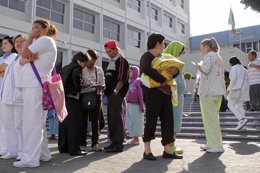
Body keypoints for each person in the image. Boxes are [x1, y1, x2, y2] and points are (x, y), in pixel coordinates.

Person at [14, 19, 57, 168]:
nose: (33, 31)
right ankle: (44, 154)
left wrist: (30, 37)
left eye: (36, 28)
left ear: (46, 29)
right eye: (32, 28)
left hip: (34, 85)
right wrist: (26, 56)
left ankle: (30, 159)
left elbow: (24, 54)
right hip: (33, 85)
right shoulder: (43, 41)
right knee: (37, 123)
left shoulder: (44, 40)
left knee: (31, 124)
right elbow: (22, 60)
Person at [140, 33, 183, 160]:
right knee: (151, 120)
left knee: (168, 121)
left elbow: (173, 71)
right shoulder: (146, 56)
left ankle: (168, 150)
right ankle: (147, 151)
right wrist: (162, 79)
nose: (164, 46)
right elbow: (146, 70)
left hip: (166, 93)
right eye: (163, 43)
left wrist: (175, 71)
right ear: (157, 43)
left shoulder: (165, 57)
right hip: (152, 93)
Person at [193, 37, 225, 153]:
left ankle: (215, 145)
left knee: (209, 119)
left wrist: (198, 66)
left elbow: (206, 70)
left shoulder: (208, 56)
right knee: (213, 118)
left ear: (206, 47)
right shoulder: (218, 57)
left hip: (208, 92)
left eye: (202, 48)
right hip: (218, 91)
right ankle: (213, 144)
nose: (201, 50)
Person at [59, 51, 90, 156]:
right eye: (84, 63)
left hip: (63, 99)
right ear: (79, 61)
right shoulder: (77, 68)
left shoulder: (65, 67)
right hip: (72, 98)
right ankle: (74, 149)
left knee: (64, 123)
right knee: (75, 124)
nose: (85, 66)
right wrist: (82, 86)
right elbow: (77, 83)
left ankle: (63, 147)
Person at [103, 40, 129, 152]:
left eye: (110, 51)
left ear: (115, 49)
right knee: (111, 118)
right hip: (110, 94)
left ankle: (118, 144)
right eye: (107, 52)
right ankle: (113, 142)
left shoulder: (121, 60)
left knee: (116, 119)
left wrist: (115, 91)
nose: (108, 53)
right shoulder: (112, 61)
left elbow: (122, 78)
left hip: (116, 93)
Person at [0, 35, 22, 160]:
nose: (3, 46)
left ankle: (7, 149)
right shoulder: (3, 58)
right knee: (5, 123)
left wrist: (2, 70)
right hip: (3, 94)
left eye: (6, 43)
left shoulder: (13, 57)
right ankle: (7, 148)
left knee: (8, 123)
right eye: (2, 44)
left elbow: (2, 69)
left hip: (9, 95)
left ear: (12, 46)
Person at [80, 49, 105, 152]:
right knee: (83, 121)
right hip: (84, 95)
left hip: (96, 96)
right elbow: (78, 84)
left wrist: (102, 86)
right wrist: (85, 85)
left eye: (94, 59)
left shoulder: (99, 70)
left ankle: (95, 143)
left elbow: (104, 83)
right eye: (90, 59)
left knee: (96, 121)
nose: (92, 62)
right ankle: (82, 143)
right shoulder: (81, 69)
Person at [163, 41, 186, 154]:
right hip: (171, 97)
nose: (181, 54)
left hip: (178, 97)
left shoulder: (176, 61)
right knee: (171, 122)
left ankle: (172, 145)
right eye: (180, 51)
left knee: (176, 122)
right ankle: (169, 146)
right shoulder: (167, 61)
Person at [227, 56, 249, 130]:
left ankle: (242, 119)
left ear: (231, 63)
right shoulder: (244, 69)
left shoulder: (234, 68)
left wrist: (228, 89)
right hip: (244, 90)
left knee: (230, 104)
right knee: (239, 105)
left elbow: (233, 79)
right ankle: (244, 124)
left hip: (237, 89)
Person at [126, 66, 145, 145]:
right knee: (131, 121)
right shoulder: (131, 81)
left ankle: (136, 139)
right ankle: (134, 138)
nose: (129, 73)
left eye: (131, 71)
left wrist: (142, 106)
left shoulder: (138, 81)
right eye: (129, 72)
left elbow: (141, 94)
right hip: (130, 104)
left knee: (135, 122)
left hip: (136, 105)